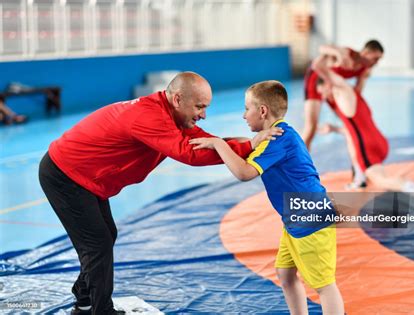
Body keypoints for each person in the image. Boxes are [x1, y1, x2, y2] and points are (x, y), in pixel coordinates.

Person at [38, 72, 282, 315]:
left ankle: (84, 301)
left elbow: (204, 140)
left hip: (87, 177)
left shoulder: (171, 116)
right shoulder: (150, 117)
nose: (203, 114)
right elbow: (190, 154)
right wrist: (249, 146)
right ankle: (100, 311)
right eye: (199, 106)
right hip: (66, 175)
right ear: (177, 99)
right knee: (97, 243)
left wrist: (249, 144)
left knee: (105, 237)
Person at [190, 81, 345, 315]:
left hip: (310, 219)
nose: (243, 115)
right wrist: (216, 141)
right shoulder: (278, 133)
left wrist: (218, 144)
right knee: (285, 273)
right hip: (296, 218)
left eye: (246, 109)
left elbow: (243, 173)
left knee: (324, 285)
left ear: (262, 111)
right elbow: (247, 144)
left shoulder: (276, 139)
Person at [312, 55, 414, 211]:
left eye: (321, 91)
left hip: (366, 145)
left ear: (329, 83)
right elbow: (352, 129)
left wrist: (330, 53)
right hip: (379, 140)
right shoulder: (354, 93)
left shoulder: (341, 91)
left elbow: (319, 66)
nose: (321, 97)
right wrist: (334, 129)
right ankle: (360, 178)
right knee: (376, 171)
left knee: (381, 180)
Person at [302, 40, 384, 187]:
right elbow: (321, 48)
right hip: (316, 83)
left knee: (351, 129)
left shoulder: (364, 69)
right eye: (375, 58)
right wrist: (337, 51)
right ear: (366, 53)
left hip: (333, 89)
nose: (376, 63)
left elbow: (357, 93)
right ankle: (300, 171)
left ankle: (358, 174)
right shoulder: (347, 53)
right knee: (311, 128)